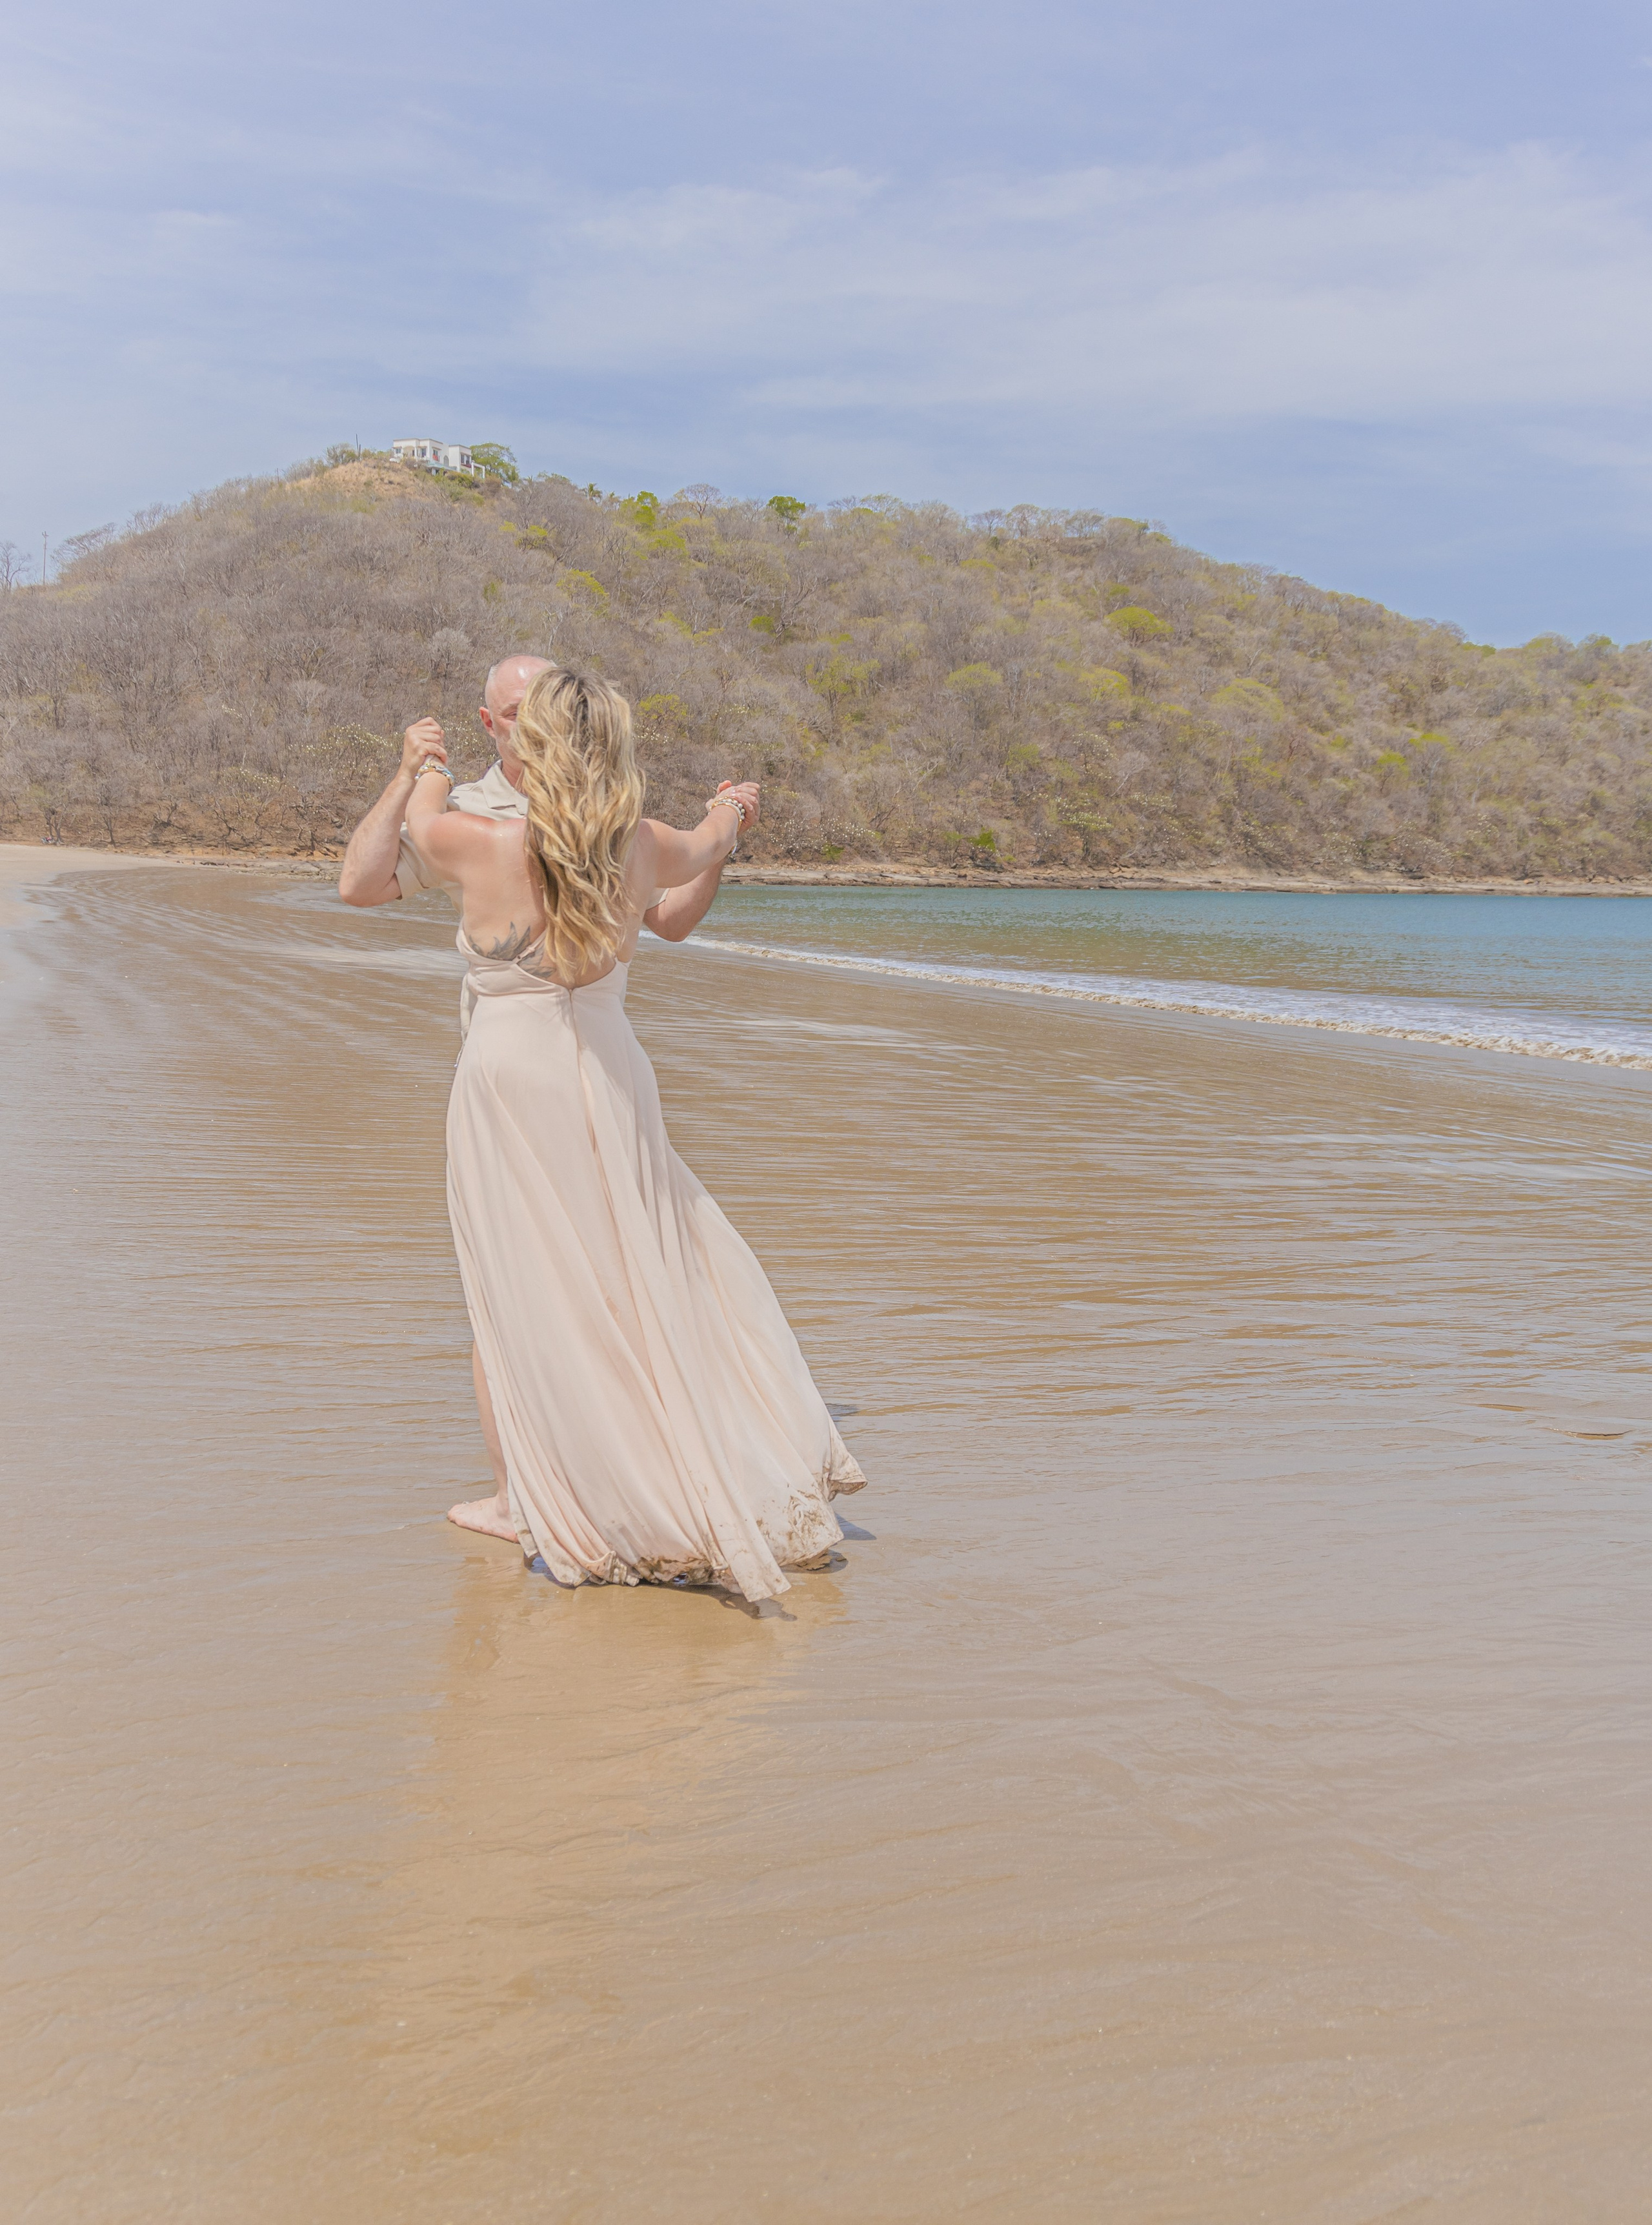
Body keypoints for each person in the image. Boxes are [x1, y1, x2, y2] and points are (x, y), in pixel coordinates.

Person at [402, 667, 865, 1601]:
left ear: (525, 746)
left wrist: (423, 759)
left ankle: (528, 1494)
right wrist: (731, 807)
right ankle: (686, 1467)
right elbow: (707, 840)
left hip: (509, 1075)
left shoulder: (475, 838)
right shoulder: (645, 845)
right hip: (610, 1068)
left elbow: (411, 822)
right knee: (647, 1269)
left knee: (520, 1284)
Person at [337, 656, 737, 997]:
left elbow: (670, 922)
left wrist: (428, 771)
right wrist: (728, 814)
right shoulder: (467, 810)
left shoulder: (608, 815)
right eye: (514, 713)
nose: (532, 727)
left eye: (542, 713)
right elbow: (360, 887)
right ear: (489, 722)